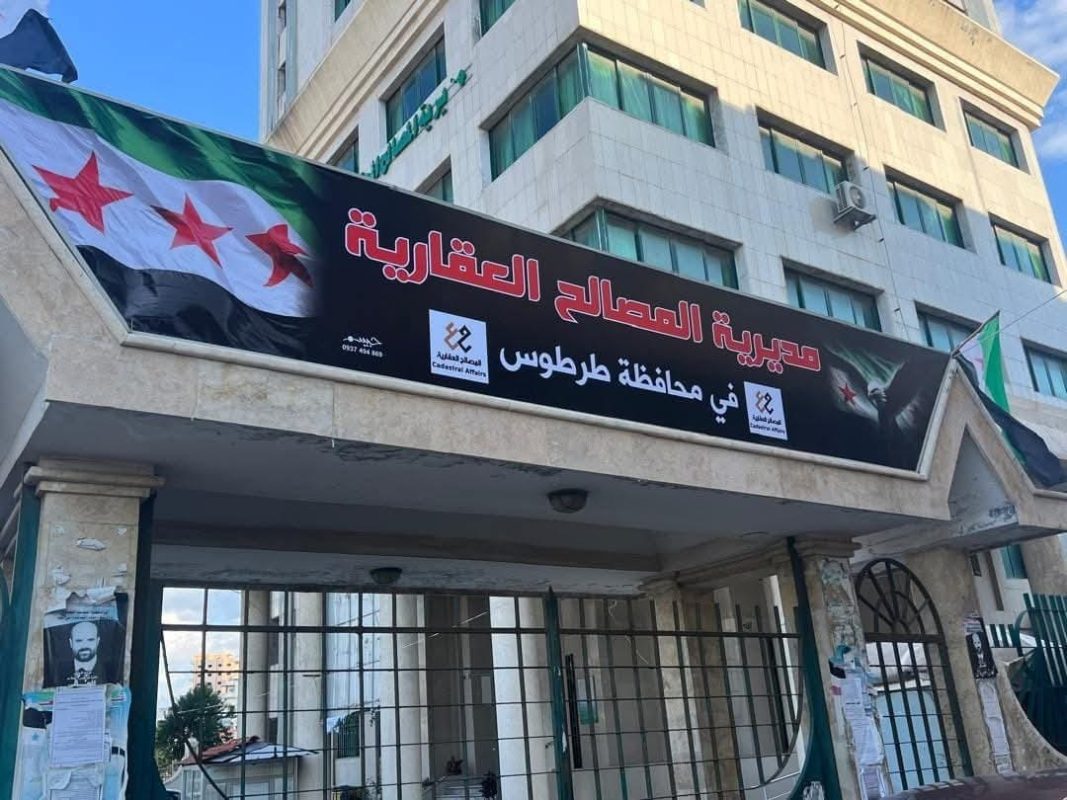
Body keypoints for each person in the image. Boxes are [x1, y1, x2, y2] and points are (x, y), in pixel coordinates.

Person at [64, 620, 109, 686]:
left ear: (97, 641)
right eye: (79, 641)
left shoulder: (110, 671)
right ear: (71, 643)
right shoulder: (57, 672)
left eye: (90, 640)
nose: (84, 646)